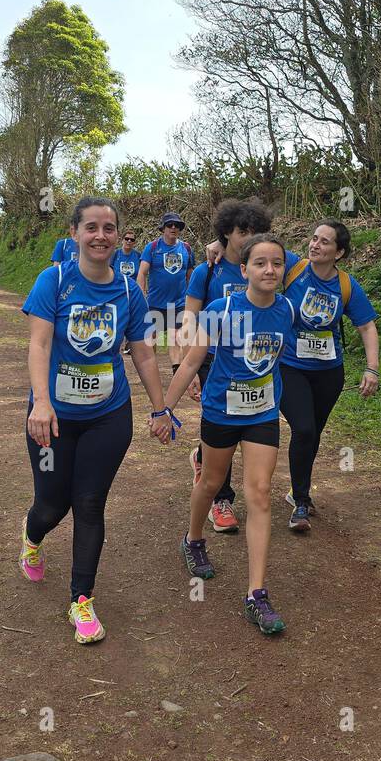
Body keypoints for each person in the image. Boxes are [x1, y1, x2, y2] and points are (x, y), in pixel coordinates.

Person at [20, 197, 173, 646]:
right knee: (52, 505)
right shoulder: (55, 280)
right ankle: (32, 538)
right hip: (52, 418)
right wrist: (42, 403)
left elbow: (143, 352)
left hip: (108, 415)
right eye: (91, 227)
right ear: (75, 234)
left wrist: (160, 408)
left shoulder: (129, 291)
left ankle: (81, 600)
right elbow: (40, 345)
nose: (101, 235)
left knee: (88, 504)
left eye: (109, 228)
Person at [154, 234, 297, 636]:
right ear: (244, 269)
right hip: (221, 411)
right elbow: (190, 363)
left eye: (276, 264)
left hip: (263, 414)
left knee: (260, 493)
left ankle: (257, 595)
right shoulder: (222, 309)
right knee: (211, 482)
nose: (269, 270)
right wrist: (164, 409)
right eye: (260, 263)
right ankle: (193, 539)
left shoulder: (286, 309)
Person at [278, 221, 380, 531]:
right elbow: (253, 248)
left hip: (328, 372)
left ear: (339, 252)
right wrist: (220, 245)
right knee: (305, 429)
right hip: (289, 365)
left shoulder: (347, 285)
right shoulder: (293, 268)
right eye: (314, 238)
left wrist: (371, 368)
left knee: (313, 433)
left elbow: (366, 326)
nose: (315, 245)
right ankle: (300, 502)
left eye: (325, 242)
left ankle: (299, 491)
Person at [182, 198, 275, 533]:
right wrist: (185, 364)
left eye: (256, 231)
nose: (249, 237)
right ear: (226, 232)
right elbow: (190, 316)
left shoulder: (264, 265)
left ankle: (205, 463)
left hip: (251, 366)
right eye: (242, 231)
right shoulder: (208, 270)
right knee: (221, 422)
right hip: (211, 360)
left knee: (240, 425)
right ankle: (221, 500)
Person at [137, 212, 193, 374]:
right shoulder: (153, 248)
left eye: (177, 225)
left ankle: (176, 369)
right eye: (170, 225)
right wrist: (141, 296)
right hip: (155, 302)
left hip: (179, 302)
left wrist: (194, 299)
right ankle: (150, 367)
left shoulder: (186, 249)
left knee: (175, 337)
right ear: (163, 228)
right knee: (151, 337)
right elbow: (142, 273)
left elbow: (190, 276)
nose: (173, 228)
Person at [116, 229, 142, 355]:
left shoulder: (137, 256)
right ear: (122, 240)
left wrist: (143, 291)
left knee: (132, 317)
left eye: (132, 240)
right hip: (117, 291)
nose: (129, 241)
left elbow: (141, 274)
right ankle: (117, 344)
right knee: (119, 317)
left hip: (132, 291)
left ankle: (129, 344)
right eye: (127, 239)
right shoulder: (115, 255)